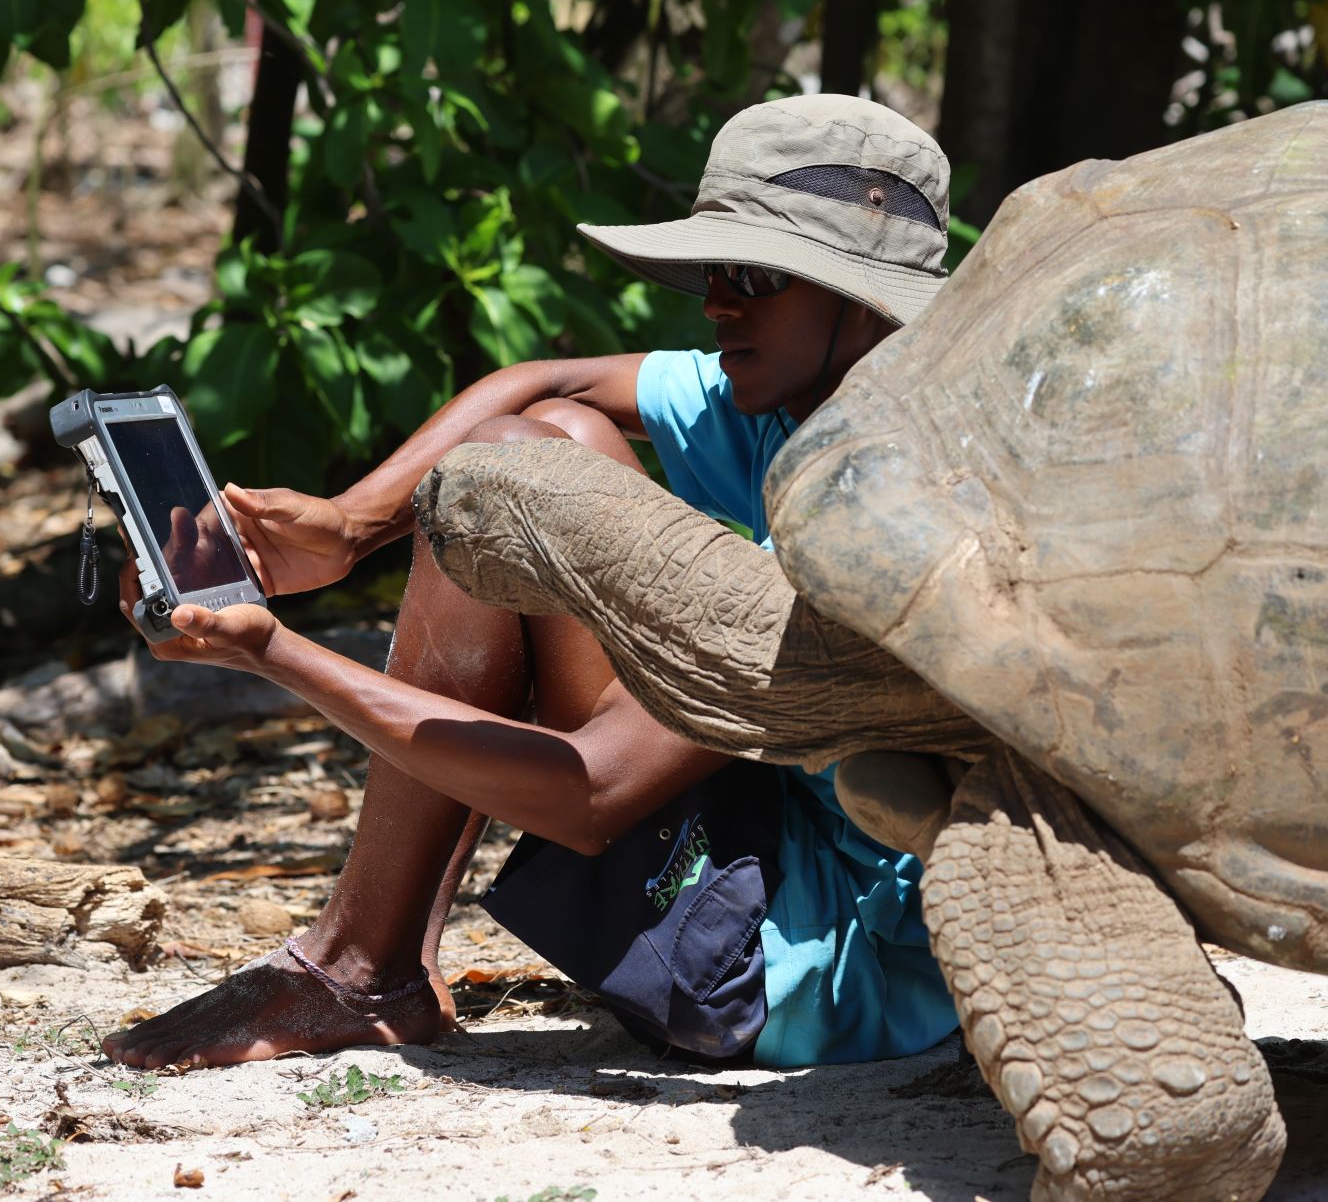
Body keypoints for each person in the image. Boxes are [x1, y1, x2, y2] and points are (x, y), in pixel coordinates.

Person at [102, 94, 961, 1071]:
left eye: (756, 277)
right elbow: (540, 386)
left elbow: (591, 795)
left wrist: (273, 652)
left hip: (794, 974)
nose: (718, 303)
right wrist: (348, 527)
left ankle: (357, 964)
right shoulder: (809, 397)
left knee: (509, 482)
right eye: (710, 272)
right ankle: (377, 962)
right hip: (767, 833)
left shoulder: (881, 509)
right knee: (536, 449)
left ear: (860, 297)